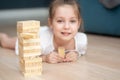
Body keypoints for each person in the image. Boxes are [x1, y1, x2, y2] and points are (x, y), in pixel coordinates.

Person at [0, 0, 87, 63]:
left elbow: (80, 52)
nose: (67, 27)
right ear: (51, 23)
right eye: (60, 21)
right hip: (35, 36)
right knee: (7, 42)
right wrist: (45, 58)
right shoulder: (42, 42)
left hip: (45, 32)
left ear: (78, 24)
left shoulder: (81, 40)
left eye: (72, 21)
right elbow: (27, 55)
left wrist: (76, 54)